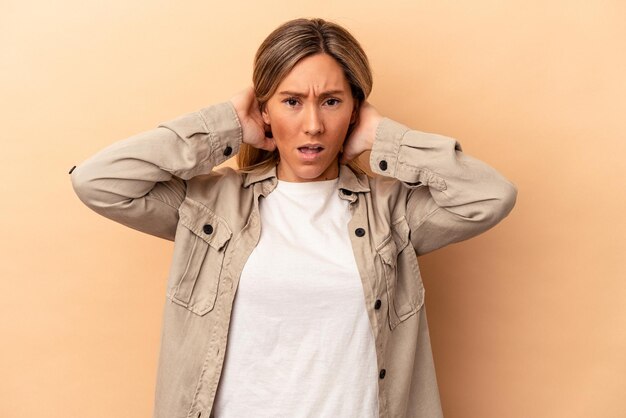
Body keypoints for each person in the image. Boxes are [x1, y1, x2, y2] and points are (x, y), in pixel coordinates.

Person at [70, 17, 517, 418]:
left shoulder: (391, 212)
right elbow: (98, 181)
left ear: (355, 111)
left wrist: (385, 139)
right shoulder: (210, 207)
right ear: (263, 109)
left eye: (331, 102)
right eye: (291, 101)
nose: (313, 125)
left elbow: (490, 196)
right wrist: (226, 123)